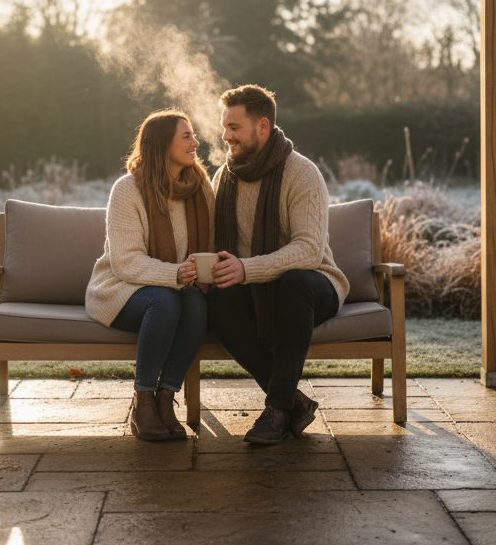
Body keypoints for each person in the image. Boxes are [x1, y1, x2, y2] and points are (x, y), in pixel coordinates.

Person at [205, 85, 349, 446]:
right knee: (216, 300)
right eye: (224, 127)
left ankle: (276, 409)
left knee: (295, 282)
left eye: (235, 127)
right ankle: (292, 404)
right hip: (258, 288)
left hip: (315, 285)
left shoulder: (301, 173)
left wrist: (246, 269)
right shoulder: (224, 177)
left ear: (263, 127)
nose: (226, 136)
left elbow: (309, 252)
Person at [85, 109, 213, 441]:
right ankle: (143, 404)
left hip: (179, 287)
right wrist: (177, 274)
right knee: (166, 300)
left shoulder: (200, 187)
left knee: (195, 302)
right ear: (161, 145)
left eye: (193, 135)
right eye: (186, 136)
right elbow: (125, 263)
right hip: (121, 288)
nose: (195, 142)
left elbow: (212, 242)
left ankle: (166, 400)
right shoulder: (127, 190)